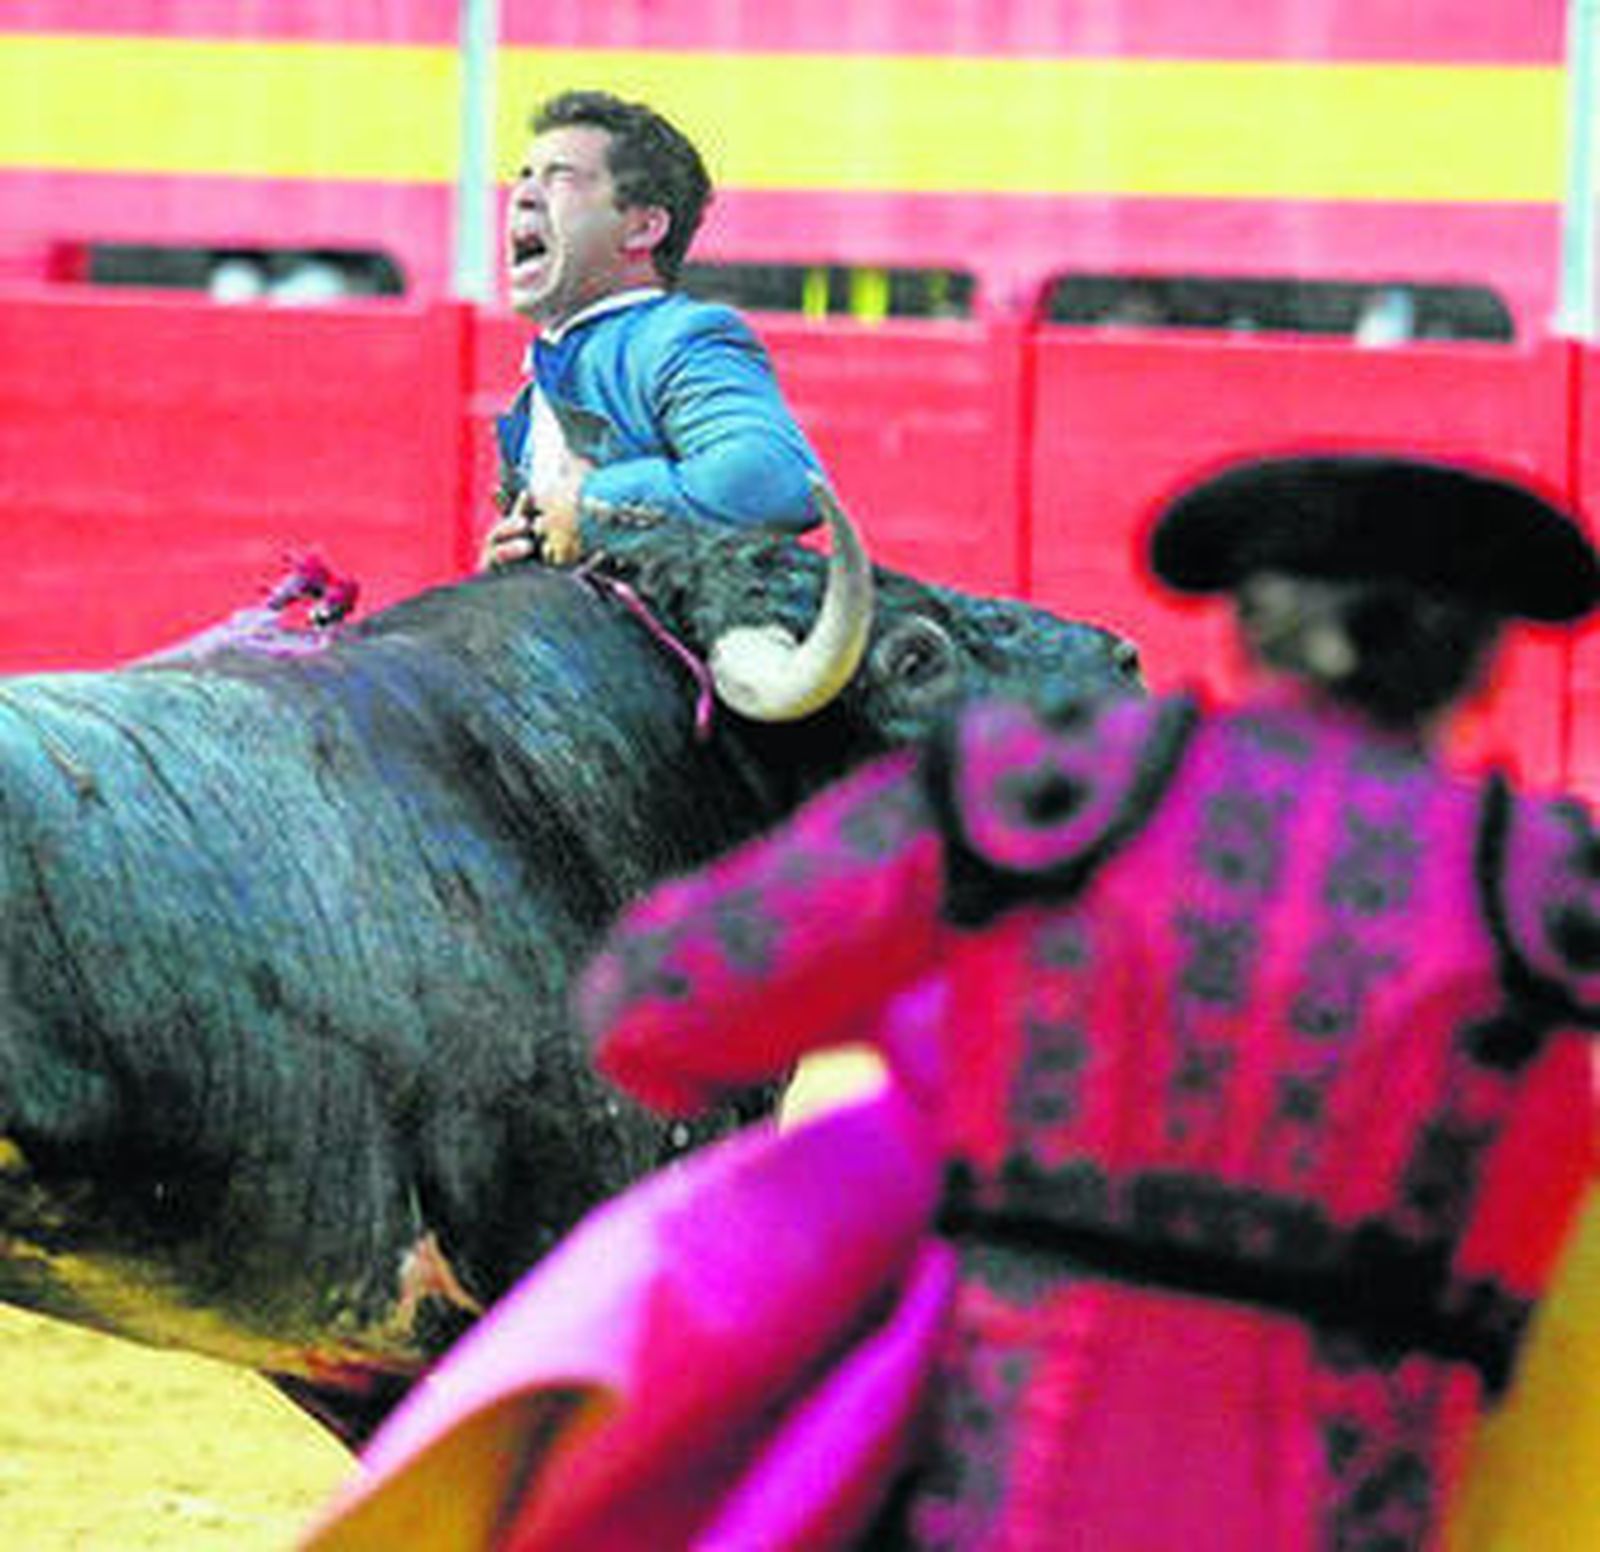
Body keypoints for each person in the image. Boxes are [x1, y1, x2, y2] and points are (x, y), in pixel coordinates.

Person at [304, 454, 1600, 1551]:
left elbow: (659, 1010)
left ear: (1248, 628)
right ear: (1480, 667)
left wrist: (943, 1057)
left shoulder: (1048, 798)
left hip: (1017, 1492)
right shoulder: (1549, 892)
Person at [480, 89, 824, 572]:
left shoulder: (680, 338)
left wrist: (593, 503)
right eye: (525, 177)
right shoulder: (537, 387)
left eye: (561, 178)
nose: (523, 196)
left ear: (642, 228)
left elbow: (777, 479)